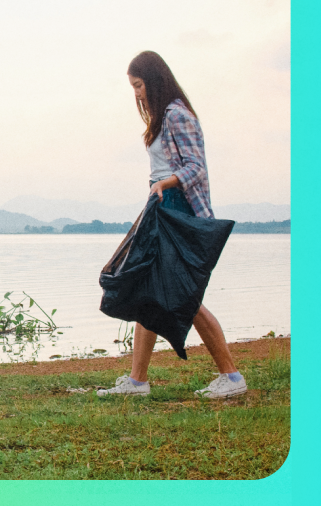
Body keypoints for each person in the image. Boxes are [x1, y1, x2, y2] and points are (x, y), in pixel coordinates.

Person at [97, 51, 247, 399]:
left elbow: (197, 167)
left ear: (154, 80)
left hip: (177, 208)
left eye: (138, 85)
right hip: (162, 205)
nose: (136, 93)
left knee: (182, 296)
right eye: (132, 87)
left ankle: (232, 377)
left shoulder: (177, 114)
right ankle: (137, 381)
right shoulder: (163, 117)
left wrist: (165, 185)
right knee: (148, 289)